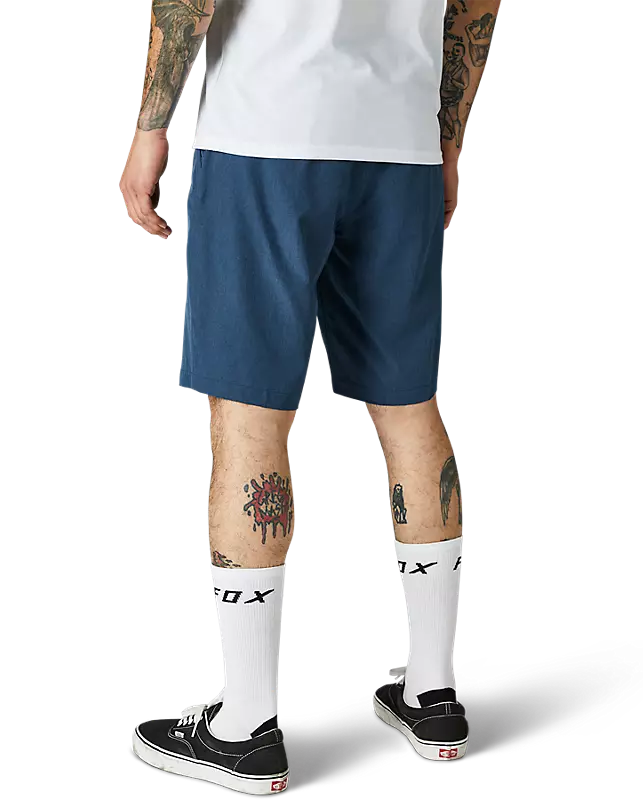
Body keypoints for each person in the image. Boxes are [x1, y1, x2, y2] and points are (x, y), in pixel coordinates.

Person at [120, 0, 501, 793]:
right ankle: (434, 695)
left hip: (263, 135)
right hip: (398, 144)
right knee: (410, 410)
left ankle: (245, 726)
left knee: (249, 420)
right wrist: (448, 141)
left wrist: (149, 127)